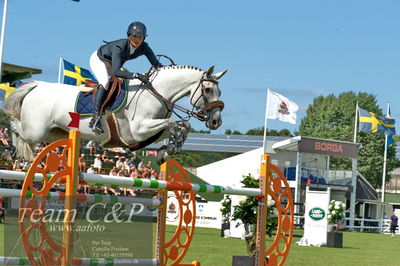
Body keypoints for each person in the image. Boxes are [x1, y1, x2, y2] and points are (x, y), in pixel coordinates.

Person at [89, 21, 162, 133]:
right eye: (134, 36)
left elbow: (156, 65)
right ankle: (95, 119)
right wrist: (136, 75)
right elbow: (117, 72)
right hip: (99, 59)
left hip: (112, 63)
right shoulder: (119, 47)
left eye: (140, 37)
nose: (137, 40)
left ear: (144, 38)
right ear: (129, 36)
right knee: (105, 81)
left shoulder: (145, 47)